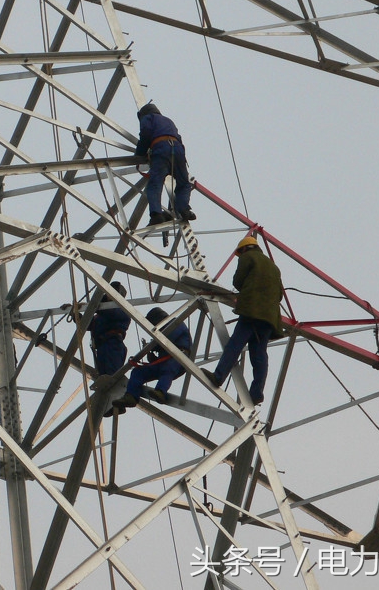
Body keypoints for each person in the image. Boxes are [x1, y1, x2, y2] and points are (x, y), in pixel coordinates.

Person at [204, 235, 284, 406]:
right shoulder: (273, 267)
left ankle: (218, 376)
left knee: (235, 344)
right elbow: (280, 295)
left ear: (245, 249)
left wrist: (247, 291)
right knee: (259, 354)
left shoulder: (248, 257)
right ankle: (256, 393)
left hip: (251, 311)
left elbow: (238, 281)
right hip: (269, 318)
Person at [115, 307, 193, 408]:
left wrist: (153, 346)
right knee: (138, 372)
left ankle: (161, 392)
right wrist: (152, 356)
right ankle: (131, 396)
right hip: (164, 360)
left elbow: (168, 339)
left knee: (167, 369)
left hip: (178, 358)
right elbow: (162, 347)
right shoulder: (160, 333)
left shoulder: (176, 323)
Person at [134, 103, 195, 226]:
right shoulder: (168, 120)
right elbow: (179, 137)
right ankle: (184, 209)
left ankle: (156, 214)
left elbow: (145, 134)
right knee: (184, 183)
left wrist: (139, 154)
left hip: (161, 149)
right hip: (178, 150)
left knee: (155, 183)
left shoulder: (148, 118)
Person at [87, 281, 132, 375]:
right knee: (103, 376)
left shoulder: (123, 310)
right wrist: (75, 314)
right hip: (102, 346)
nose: (109, 295)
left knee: (112, 376)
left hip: (113, 344)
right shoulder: (100, 315)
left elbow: (112, 313)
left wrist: (96, 305)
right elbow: (88, 324)